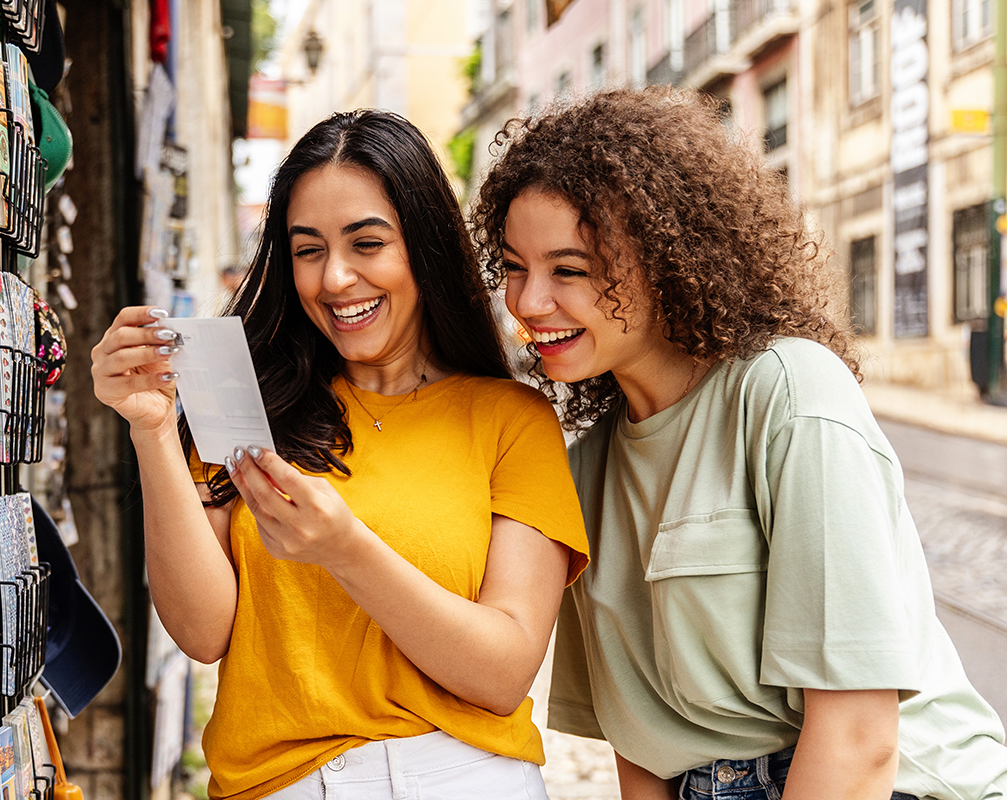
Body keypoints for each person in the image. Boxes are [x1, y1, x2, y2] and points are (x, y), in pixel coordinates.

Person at [472, 85, 1007, 800]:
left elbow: (858, 741)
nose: (527, 303)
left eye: (570, 269)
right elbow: (643, 748)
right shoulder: (582, 466)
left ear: (668, 258)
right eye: (513, 266)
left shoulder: (788, 393)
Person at [91, 109, 589, 800]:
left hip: (464, 778)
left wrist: (344, 548)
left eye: (367, 243)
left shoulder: (511, 420)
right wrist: (150, 431)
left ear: (423, 245)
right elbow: (205, 633)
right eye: (308, 250)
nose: (334, 279)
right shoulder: (244, 407)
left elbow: (503, 673)